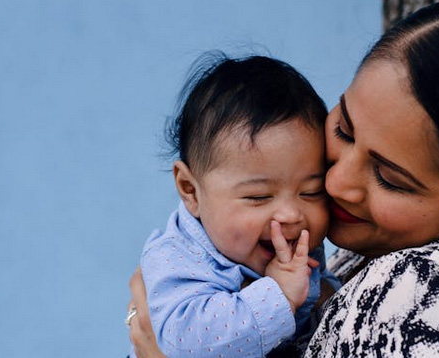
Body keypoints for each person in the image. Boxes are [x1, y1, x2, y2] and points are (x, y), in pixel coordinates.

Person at [127, 0, 439, 356]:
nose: (334, 183)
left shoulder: (435, 303)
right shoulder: (383, 245)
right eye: (344, 129)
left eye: (388, 176)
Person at [126, 54, 340, 358]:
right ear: (190, 191)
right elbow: (187, 344)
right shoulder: (177, 259)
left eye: (311, 192)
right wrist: (278, 295)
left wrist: (327, 298)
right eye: (259, 197)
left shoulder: (286, 246)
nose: (292, 214)